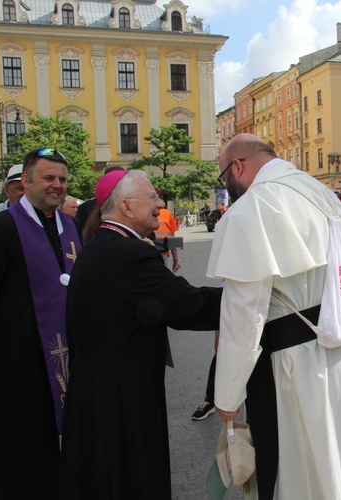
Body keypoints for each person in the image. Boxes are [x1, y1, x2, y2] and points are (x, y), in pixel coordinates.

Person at [206, 134, 341, 499]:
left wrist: (225, 395)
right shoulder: (318, 190)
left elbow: (244, 317)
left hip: (302, 364)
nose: (228, 187)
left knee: (310, 470)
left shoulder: (249, 210)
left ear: (237, 166)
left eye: (225, 177)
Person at [59, 170, 222, 499]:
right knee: (132, 478)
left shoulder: (99, 246)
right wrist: (246, 299)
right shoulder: (131, 254)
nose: (160, 204)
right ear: (127, 207)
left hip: (96, 390)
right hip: (124, 396)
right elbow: (185, 305)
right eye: (153, 197)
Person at [0, 148, 80, 499]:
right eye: (48, 178)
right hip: (19, 361)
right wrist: (7, 340)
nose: (56, 185)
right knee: (22, 448)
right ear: (26, 181)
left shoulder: (69, 226)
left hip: (66, 355)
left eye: (61, 179)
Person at [155, 198, 181, 273]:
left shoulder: (142, 212)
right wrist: (175, 260)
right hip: (162, 249)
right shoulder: (167, 213)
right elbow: (172, 238)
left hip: (146, 249)